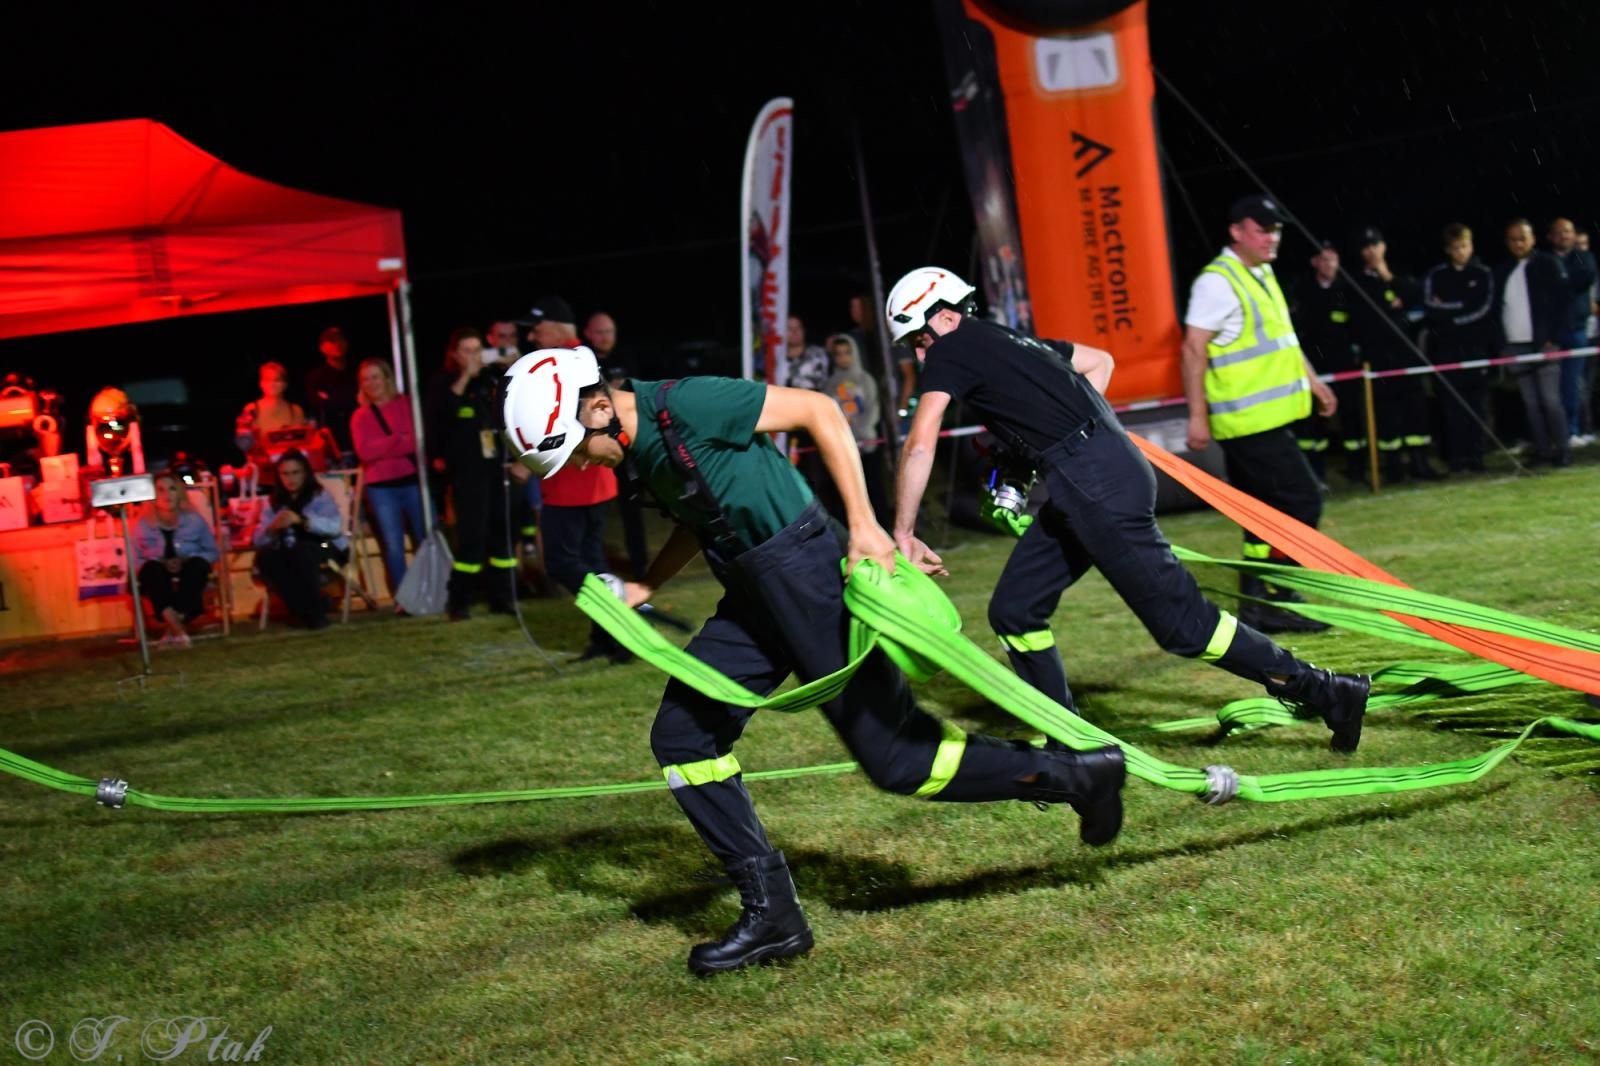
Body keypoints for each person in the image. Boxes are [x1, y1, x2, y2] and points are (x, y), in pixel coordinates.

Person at [503, 346, 1128, 976]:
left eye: (579, 450)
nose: (584, 465)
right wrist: (647, 586)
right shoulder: (641, 448)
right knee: (684, 738)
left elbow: (819, 410)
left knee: (900, 760)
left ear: (602, 407)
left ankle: (1077, 776)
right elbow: (699, 512)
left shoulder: (688, 404)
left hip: (806, 572)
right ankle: (772, 914)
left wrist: (864, 527)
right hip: (754, 591)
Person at [887, 265, 1368, 752]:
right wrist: (1068, 435)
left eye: (918, 340)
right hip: (1094, 473)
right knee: (1015, 611)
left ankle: (1327, 691)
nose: (922, 354)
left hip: (1093, 483)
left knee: (1186, 626)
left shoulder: (952, 347)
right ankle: (1069, 741)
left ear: (944, 317)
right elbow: (1099, 362)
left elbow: (920, 444)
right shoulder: (1006, 339)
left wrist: (903, 532)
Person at [1180, 196, 1339, 633]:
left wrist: (1313, 380)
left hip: (1264, 421)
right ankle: (1277, 595)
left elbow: (1284, 340)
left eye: (1277, 229)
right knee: (1302, 501)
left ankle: (1257, 603)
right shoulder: (1217, 281)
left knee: (1262, 515)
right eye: (1262, 228)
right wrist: (1197, 416)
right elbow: (1193, 348)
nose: (1272, 237)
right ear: (1236, 231)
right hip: (1248, 425)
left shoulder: (1261, 272)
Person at [523, 296, 626, 660]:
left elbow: (579, 418)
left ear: (556, 326)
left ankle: (619, 618)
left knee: (563, 563)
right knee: (591, 561)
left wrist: (532, 456)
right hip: (587, 482)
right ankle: (610, 637)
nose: (533, 336)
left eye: (538, 328)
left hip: (574, 482)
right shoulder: (577, 359)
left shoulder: (566, 363)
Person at [425, 326, 517, 619]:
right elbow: (445, 412)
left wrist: (511, 370)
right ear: (454, 354)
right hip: (467, 471)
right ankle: (459, 599)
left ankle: (501, 596)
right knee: (472, 536)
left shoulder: (489, 379)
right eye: (466, 351)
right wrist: (465, 375)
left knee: (501, 533)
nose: (473, 356)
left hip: (495, 466)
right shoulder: (444, 382)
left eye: (478, 350)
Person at [1349, 226, 1440, 482]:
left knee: (1416, 409)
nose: (1371, 251)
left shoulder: (1399, 273)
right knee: (1387, 413)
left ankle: (1420, 463)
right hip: (1377, 356)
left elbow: (1415, 297)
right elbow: (1363, 316)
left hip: (1407, 354)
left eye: (1375, 245)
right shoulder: (1356, 280)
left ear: (1384, 246)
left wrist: (1388, 277)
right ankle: (1394, 468)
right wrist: (1391, 304)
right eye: (1366, 247)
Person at [1492, 218, 1572, 467]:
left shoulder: (1548, 263)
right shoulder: (1502, 271)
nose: (1518, 243)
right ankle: (1543, 451)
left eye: (1522, 238)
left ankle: (1563, 451)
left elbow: (1563, 303)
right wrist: (1502, 345)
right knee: (1531, 403)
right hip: (1515, 346)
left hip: (1545, 345)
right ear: (1507, 243)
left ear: (1533, 239)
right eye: (1513, 239)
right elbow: (1496, 310)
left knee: (1550, 400)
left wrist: (1553, 338)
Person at [1422, 224, 1496, 474]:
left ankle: (1476, 458)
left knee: (1476, 406)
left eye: (1464, 246)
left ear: (1471, 245)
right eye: (1455, 248)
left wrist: (1450, 314)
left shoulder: (1483, 273)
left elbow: (1483, 310)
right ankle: (1457, 459)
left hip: (1475, 351)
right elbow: (1431, 310)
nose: (1461, 252)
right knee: (1451, 407)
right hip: (1445, 352)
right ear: (1448, 250)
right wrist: (1460, 308)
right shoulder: (1437, 275)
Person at [1288, 241, 1363, 485]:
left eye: (1333, 259)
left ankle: (1358, 470)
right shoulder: (1302, 290)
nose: (1329, 264)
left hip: (1345, 363)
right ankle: (1314, 474)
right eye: (1324, 259)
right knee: (1312, 423)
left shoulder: (1348, 289)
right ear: (1314, 262)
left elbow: (1357, 325)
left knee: (1352, 416)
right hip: (1314, 364)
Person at [350, 358, 424, 600]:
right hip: (380, 487)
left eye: (375, 377)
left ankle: (430, 589)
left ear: (386, 378)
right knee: (393, 545)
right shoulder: (360, 416)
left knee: (424, 537)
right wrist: (395, 439)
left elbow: (414, 442)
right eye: (365, 379)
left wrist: (383, 446)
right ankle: (404, 596)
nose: (371, 383)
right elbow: (364, 452)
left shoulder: (406, 405)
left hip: (412, 480)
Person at [252, 449, 347, 630]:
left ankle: (312, 614)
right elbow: (257, 539)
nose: (290, 479)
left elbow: (334, 528)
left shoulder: (319, 496)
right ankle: (310, 608)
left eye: (295, 473)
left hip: (325, 545)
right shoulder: (273, 502)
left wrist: (302, 521)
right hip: (289, 549)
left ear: (305, 473)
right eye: (285, 474)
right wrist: (272, 528)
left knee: (301, 553)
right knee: (265, 558)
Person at [585, 310, 649, 580]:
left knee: (632, 511)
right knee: (594, 514)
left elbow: (638, 393)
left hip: (623, 448)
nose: (605, 337)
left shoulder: (626, 359)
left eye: (609, 331)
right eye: (599, 332)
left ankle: (640, 566)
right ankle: (596, 568)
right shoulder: (583, 362)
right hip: (594, 447)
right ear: (588, 333)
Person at [132, 470, 220, 647]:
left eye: (172, 489)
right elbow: (136, 559)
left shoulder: (195, 520)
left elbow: (212, 551)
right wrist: (159, 561)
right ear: (153, 494)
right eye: (161, 490)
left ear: (179, 493)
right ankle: (179, 631)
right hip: (157, 571)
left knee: (198, 566)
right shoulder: (142, 524)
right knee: (151, 570)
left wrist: (188, 558)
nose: (167, 495)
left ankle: (172, 628)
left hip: (189, 568)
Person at [823, 332, 889, 525]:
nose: (843, 357)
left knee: (873, 488)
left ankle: (883, 527)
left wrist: (863, 433)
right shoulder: (830, 384)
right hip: (842, 447)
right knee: (845, 492)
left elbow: (873, 408)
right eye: (838, 353)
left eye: (847, 352)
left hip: (867, 444)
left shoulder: (865, 380)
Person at [1545, 217, 1598, 446]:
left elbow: (1581, 281)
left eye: (1568, 231)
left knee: (1573, 382)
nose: (1564, 235)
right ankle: (1556, 432)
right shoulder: (1544, 261)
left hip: (1577, 330)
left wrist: (1560, 283)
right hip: (1550, 334)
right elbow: (1546, 291)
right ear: (1550, 236)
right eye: (1559, 232)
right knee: (1550, 388)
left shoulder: (1584, 257)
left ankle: (1572, 429)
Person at [235, 361, 308, 487]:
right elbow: (243, 445)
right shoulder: (251, 409)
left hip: (291, 476)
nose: (272, 384)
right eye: (267, 380)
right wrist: (242, 431)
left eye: (277, 380)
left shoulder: (296, 410)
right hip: (261, 475)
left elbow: (304, 445)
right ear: (261, 383)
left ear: (285, 384)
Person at [306, 327, 360, 462]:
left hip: (360, 442)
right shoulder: (315, 377)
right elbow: (318, 404)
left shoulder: (358, 372)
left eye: (340, 340)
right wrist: (349, 398)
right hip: (332, 447)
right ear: (322, 347)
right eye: (332, 341)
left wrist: (332, 399)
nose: (337, 345)